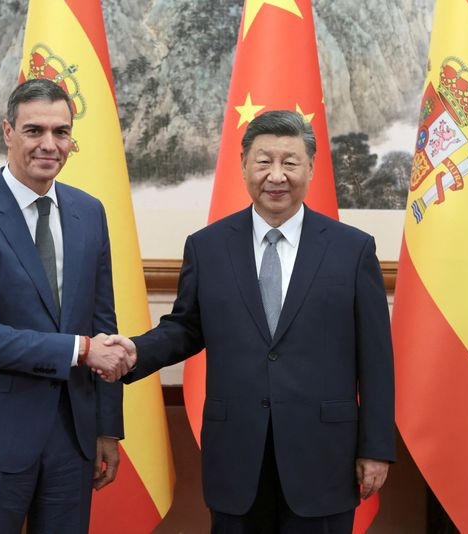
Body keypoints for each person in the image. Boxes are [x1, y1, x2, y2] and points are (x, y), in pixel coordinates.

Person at [107, 110, 395, 533]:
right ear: (243, 165)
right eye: (263, 161)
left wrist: (375, 449)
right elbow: (186, 328)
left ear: (311, 168)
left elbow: (375, 359)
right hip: (238, 456)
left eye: (290, 162)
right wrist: (136, 350)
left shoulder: (351, 251)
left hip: (324, 457)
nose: (276, 175)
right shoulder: (208, 247)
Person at [0, 78, 134, 534]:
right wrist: (81, 350)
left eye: (61, 132)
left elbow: (104, 322)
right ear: (7, 132)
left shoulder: (90, 212)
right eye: (34, 130)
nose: (49, 144)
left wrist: (106, 428)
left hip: (73, 438)